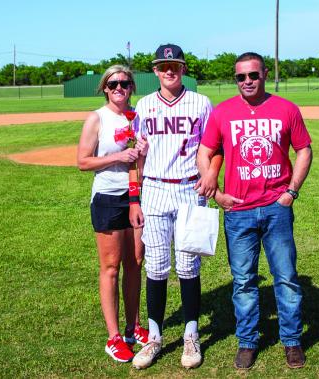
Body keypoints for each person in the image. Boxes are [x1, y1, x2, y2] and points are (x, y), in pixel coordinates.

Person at [197, 52, 313, 370]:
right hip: (239, 212)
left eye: (253, 75)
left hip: (276, 209)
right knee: (244, 281)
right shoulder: (222, 113)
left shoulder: (286, 109)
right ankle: (248, 342)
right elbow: (204, 152)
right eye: (240, 77)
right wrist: (218, 194)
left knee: (286, 278)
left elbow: (304, 150)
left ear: (264, 74)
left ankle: (291, 341)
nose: (247, 81)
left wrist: (291, 191)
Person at [128, 43, 217, 370]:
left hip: (189, 188)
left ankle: (191, 334)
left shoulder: (200, 102)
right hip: (154, 188)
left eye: (175, 65)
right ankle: (154, 336)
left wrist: (210, 173)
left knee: (189, 264)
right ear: (155, 70)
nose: (169, 70)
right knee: (156, 265)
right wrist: (134, 197)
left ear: (183, 68)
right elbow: (137, 156)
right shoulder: (144, 106)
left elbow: (213, 146)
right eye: (164, 66)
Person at [77, 65, 149, 363]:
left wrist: (142, 152)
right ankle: (114, 336)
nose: (119, 88)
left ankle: (133, 328)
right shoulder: (97, 118)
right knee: (111, 266)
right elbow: (82, 161)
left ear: (132, 87)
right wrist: (118, 156)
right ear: (105, 88)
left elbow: (143, 166)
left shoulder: (139, 117)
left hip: (137, 195)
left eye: (125, 83)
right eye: (113, 84)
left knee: (136, 262)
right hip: (108, 197)